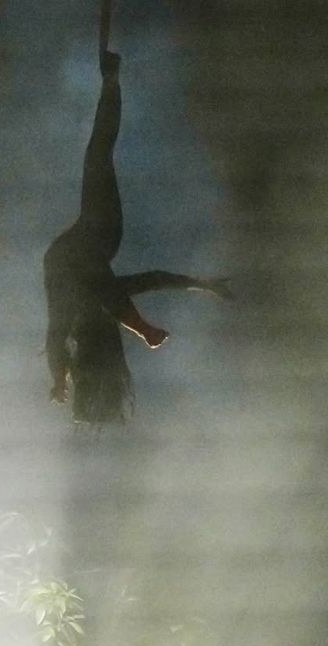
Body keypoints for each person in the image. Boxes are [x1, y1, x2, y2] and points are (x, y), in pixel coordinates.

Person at [43, 49, 233, 424]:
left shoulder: (75, 310)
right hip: (94, 238)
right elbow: (149, 281)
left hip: (90, 242)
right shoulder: (88, 303)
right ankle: (111, 79)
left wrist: (60, 379)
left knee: (98, 153)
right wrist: (201, 284)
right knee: (98, 154)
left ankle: (111, 79)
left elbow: (66, 332)